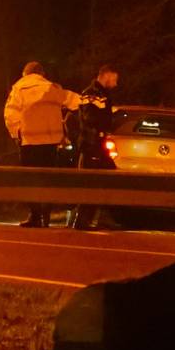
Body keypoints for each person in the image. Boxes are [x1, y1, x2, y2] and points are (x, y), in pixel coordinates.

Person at [2, 61, 84, 228]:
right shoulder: (52, 88)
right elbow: (75, 101)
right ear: (42, 74)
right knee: (47, 179)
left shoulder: (19, 89)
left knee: (30, 180)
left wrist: (17, 133)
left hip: (29, 142)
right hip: (50, 143)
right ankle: (45, 216)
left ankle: (35, 215)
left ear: (25, 74)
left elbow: (10, 114)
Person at [72, 65, 118, 230]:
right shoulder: (92, 94)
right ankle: (83, 220)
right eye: (114, 79)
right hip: (92, 144)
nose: (116, 83)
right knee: (92, 182)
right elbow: (90, 117)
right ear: (106, 76)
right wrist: (103, 128)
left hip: (97, 143)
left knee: (105, 180)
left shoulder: (101, 94)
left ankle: (95, 218)